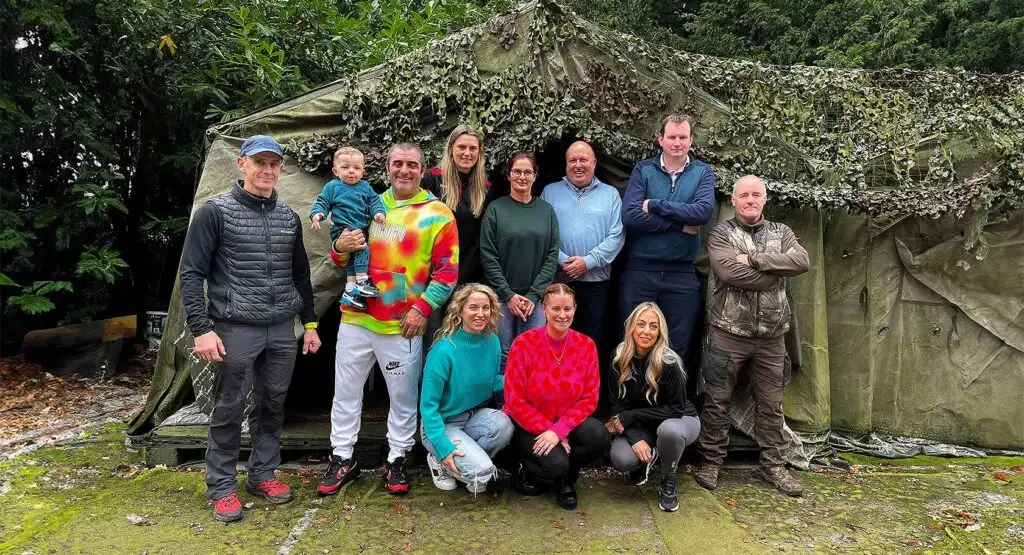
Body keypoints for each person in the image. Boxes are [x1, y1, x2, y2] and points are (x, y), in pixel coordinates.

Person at [179, 134, 321, 523]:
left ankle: (262, 474)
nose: (268, 170)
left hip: (281, 329)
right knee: (229, 406)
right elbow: (191, 274)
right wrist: (202, 329)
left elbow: (301, 275)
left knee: (273, 403)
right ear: (241, 164)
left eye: (274, 164)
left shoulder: (288, 217)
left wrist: (309, 323)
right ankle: (222, 486)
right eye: (260, 162)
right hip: (234, 327)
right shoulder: (215, 212)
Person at [317, 143, 459, 497]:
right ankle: (342, 456)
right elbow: (340, 259)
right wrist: (339, 249)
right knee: (345, 392)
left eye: (412, 164)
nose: (404, 170)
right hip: (356, 316)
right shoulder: (368, 202)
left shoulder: (438, 213)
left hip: (402, 323)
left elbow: (447, 272)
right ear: (387, 167)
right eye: (398, 164)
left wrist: (421, 309)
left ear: (423, 170)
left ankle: (397, 459)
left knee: (402, 397)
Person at [693, 175, 809, 497]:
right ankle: (710, 462)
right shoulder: (721, 233)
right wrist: (774, 276)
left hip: (772, 337)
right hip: (727, 332)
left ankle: (774, 466)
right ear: (733, 200)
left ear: (765, 199)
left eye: (756, 195)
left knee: (771, 404)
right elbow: (729, 272)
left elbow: (801, 260)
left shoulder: (782, 233)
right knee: (717, 400)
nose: (750, 200)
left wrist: (757, 260)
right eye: (744, 195)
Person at [503, 284, 609, 510]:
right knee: (556, 465)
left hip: (564, 422)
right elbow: (514, 400)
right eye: (556, 309)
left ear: (575, 309)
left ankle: (567, 478)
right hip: (528, 424)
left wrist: (559, 430)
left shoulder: (586, 345)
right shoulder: (523, 344)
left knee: (598, 436)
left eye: (568, 309)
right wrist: (550, 432)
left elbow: (589, 397)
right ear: (544, 309)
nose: (562, 315)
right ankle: (522, 467)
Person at [620, 114, 715, 364]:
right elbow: (630, 217)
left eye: (683, 137)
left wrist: (656, 205)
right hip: (640, 270)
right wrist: (682, 224)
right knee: (633, 342)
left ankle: (670, 402)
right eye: (671, 136)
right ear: (660, 139)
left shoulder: (703, 172)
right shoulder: (643, 170)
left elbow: (703, 212)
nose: (677, 142)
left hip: (681, 274)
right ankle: (631, 401)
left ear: (691, 141)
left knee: (677, 345)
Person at [419, 283, 513, 493]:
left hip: (471, 417)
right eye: (473, 307)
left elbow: (490, 382)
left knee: (503, 424)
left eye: (486, 308)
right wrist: (443, 447)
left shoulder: (492, 342)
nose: (480, 314)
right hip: (440, 424)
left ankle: (466, 460)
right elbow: (428, 406)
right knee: (482, 474)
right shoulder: (444, 350)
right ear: (460, 310)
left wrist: (523, 380)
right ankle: (439, 459)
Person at [607, 302, 700, 513]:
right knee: (621, 458)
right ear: (631, 327)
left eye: (653, 326)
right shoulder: (618, 357)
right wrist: (634, 437)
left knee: (669, 431)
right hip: (643, 424)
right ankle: (646, 459)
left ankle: (669, 479)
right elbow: (615, 405)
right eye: (641, 324)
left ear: (660, 332)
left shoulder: (669, 362)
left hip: (680, 420)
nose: (646, 331)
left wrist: (633, 415)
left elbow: (676, 409)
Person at [540, 141, 624, 354]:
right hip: (558, 282)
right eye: (573, 160)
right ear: (566, 164)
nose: (578, 165)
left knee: (588, 344)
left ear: (594, 163)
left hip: (595, 284)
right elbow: (542, 233)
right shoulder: (550, 192)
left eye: (583, 160)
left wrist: (587, 262)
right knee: (554, 342)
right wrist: (562, 260)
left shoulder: (611, 194)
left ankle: (583, 387)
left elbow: (617, 236)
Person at [480, 152, 560, 371]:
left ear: (535, 176)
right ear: (508, 175)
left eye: (527, 172)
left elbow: (552, 255)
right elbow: (488, 255)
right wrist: (507, 295)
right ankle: (504, 402)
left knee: (531, 351)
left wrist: (534, 294)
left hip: (534, 299)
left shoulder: (546, 211)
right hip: (503, 296)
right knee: (504, 351)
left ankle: (527, 401)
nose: (522, 176)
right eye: (517, 171)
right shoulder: (496, 209)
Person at [421, 125, 495, 347]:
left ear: (479, 153)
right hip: (434, 276)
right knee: (433, 339)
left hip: (468, 276)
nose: (467, 153)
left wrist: (469, 277)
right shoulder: (432, 179)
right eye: (461, 147)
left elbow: (482, 237)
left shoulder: (485, 188)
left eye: (473, 148)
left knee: (462, 340)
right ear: (450, 148)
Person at [310, 146, 386, 309]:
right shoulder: (332, 187)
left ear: (363, 171)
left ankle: (350, 291)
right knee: (362, 249)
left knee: (353, 258)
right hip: (343, 228)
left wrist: (378, 213)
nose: (351, 171)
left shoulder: (365, 187)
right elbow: (322, 202)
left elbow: (374, 202)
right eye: (345, 167)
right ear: (336, 170)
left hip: (360, 227)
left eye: (356, 168)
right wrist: (317, 215)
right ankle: (362, 281)